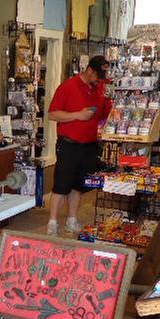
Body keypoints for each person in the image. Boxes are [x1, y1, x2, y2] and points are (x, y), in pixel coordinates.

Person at [46, 55, 112, 235]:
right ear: (89, 70)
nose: (100, 80)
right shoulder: (68, 86)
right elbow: (52, 114)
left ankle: (71, 219)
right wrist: (77, 115)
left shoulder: (100, 89)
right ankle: (52, 223)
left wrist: (108, 102)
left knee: (78, 185)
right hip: (69, 144)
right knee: (61, 184)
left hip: (89, 145)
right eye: (98, 76)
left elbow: (104, 115)